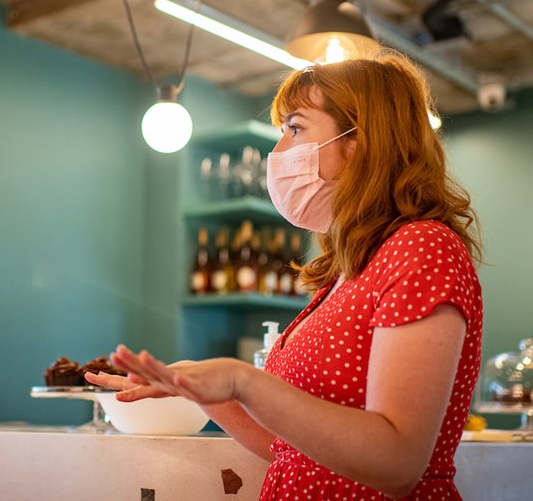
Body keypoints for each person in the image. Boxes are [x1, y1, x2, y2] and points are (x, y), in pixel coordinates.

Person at [87, 52, 483, 500]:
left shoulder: (422, 247)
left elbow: (396, 462)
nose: (277, 153)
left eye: (294, 128)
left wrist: (243, 380)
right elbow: (290, 451)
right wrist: (201, 390)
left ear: (362, 139)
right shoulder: (347, 271)